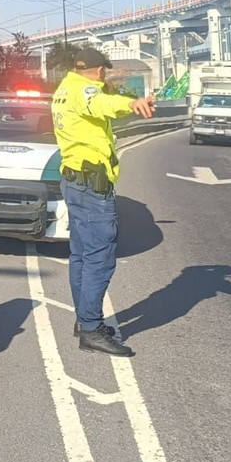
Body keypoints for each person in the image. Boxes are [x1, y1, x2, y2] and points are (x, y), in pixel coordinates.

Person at [51, 47, 156, 357]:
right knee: (100, 256)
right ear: (98, 71)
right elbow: (100, 103)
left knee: (81, 254)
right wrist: (133, 103)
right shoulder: (84, 91)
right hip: (91, 184)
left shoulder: (63, 89)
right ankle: (91, 329)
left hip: (73, 179)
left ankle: (84, 319)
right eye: (104, 72)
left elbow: (95, 104)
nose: (105, 76)